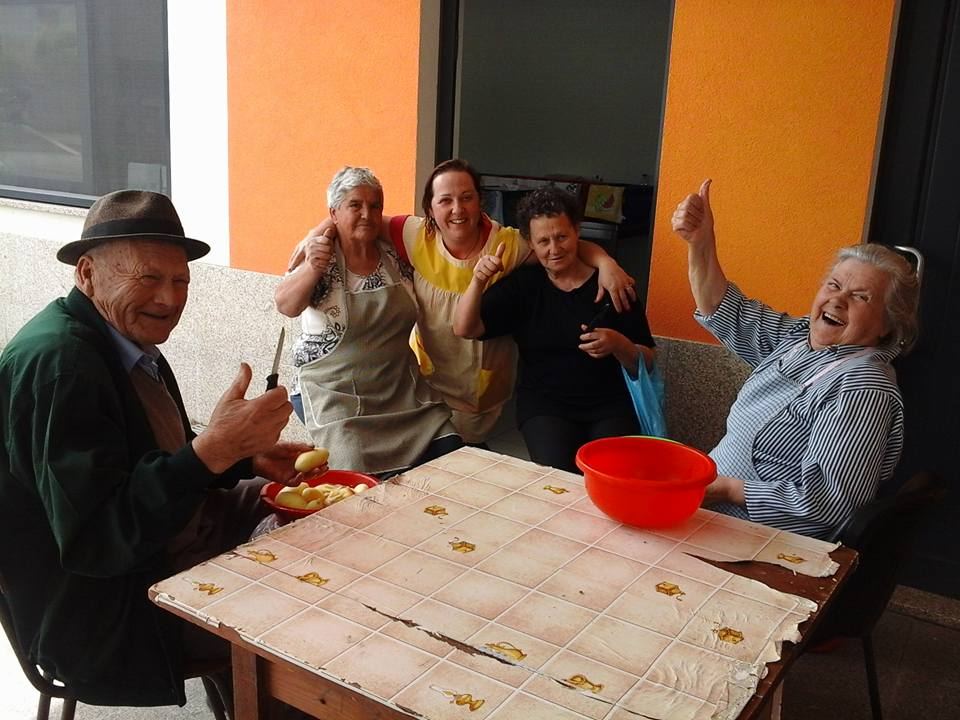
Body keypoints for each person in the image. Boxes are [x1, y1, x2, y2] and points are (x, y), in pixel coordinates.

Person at [0, 190, 312, 708]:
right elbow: (98, 540)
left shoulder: (124, 337)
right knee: (305, 610)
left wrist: (242, 457)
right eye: (148, 278)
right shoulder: (65, 367)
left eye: (180, 280)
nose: (169, 300)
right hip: (107, 612)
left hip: (169, 538)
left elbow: (151, 460)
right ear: (87, 273)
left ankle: (242, 692)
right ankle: (262, 695)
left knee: (313, 520)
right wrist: (210, 452)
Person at [287, 159, 637, 444]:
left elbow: (557, 243)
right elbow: (361, 218)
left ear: (480, 201)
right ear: (430, 208)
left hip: (485, 392)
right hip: (428, 388)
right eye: (445, 200)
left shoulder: (507, 244)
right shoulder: (414, 235)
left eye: (467, 197)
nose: (457, 209)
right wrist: (316, 233)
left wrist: (606, 262)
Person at [671, 179, 920, 539]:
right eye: (834, 285)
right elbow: (726, 309)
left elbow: (830, 505)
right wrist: (700, 243)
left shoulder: (862, 387)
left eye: (861, 297)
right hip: (715, 514)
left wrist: (729, 489)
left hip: (764, 541)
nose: (838, 300)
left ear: (888, 324)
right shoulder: (799, 339)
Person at [453, 186, 656, 472]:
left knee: (608, 474)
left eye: (562, 237)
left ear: (577, 231)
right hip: (545, 406)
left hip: (611, 405)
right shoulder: (524, 286)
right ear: (530, 244)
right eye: (543, 241)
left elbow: (649, 360)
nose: (554, 249)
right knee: (557, 478)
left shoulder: (613, 285)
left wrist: (618, 344)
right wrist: (477, 281)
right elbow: (465, 328)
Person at [275, 166, 461, 476]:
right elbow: (286, 305)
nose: (367, 214)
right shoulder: (321, 255)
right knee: (354, 476)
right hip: (335, 395)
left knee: (452, 456)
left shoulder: (397, 252)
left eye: (375, 206)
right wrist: (312, 268)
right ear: (334, 213)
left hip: (401, 391)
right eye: (355, 205)